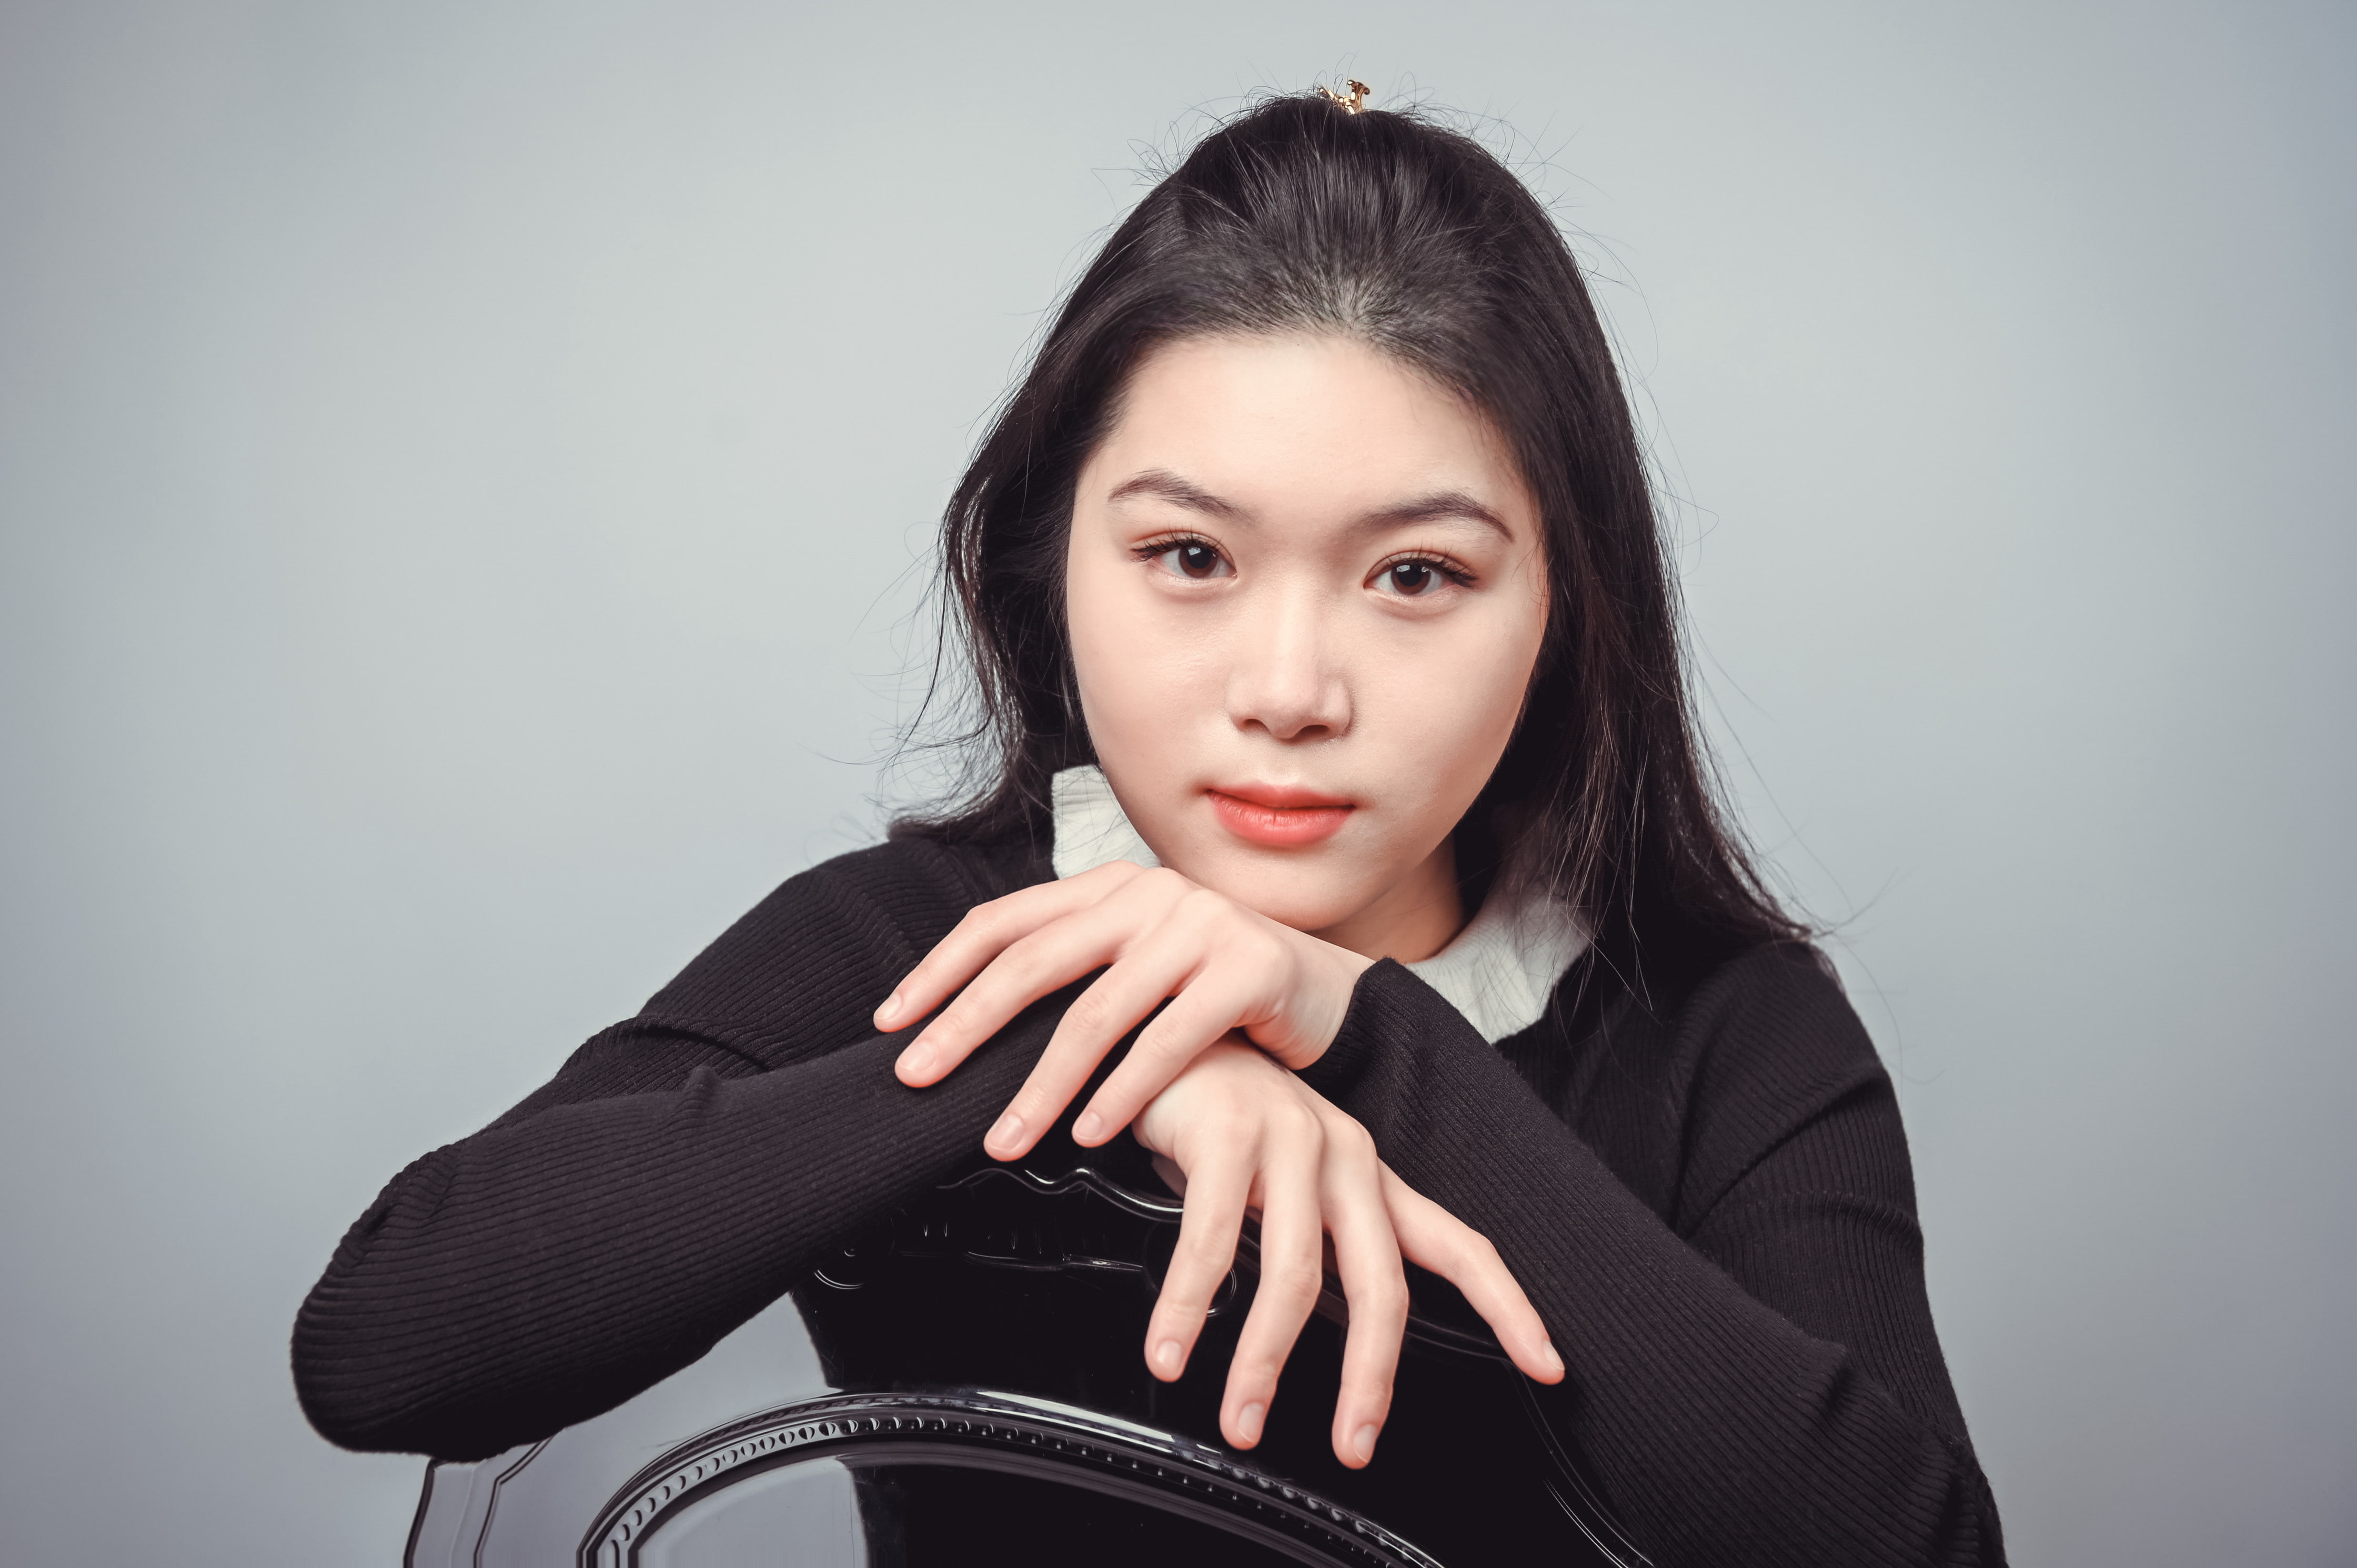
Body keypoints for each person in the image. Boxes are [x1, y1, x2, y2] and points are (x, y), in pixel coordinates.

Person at [294, 89, 2005, 1566]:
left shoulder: (1723, 1028)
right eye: (1190, 557)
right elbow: (385, 1344)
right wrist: (1084, 1026)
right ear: (1053, 566)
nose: (1288, 687)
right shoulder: (916, 938)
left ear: (1566, 607)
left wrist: (1354, 1038)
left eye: (1416, 575)